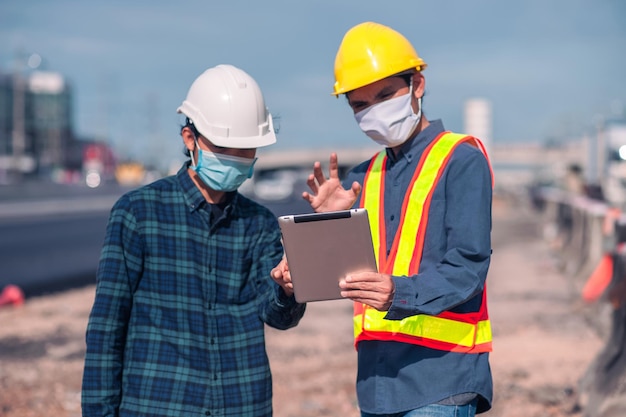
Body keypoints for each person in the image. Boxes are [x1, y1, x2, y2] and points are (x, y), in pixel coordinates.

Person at [81, 64, 306, 417]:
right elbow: (107, 329)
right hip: (158, 405)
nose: (236, 158)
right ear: (190, 139)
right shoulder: (137, 213)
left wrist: (289, 289)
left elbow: (278, 316)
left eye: (246, 149)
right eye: (226, 146)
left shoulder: (260, 223)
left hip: (242, 404)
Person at [298, 21, 494, 416]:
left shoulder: (461, 159)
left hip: (441, 379)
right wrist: (327, 232)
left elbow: (468, 267)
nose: (374, 111)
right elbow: (340, 279)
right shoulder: (358, 180)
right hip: (376, 382)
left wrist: (397, 294)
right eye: (360, 104)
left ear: (417, 84)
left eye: (385, 94)